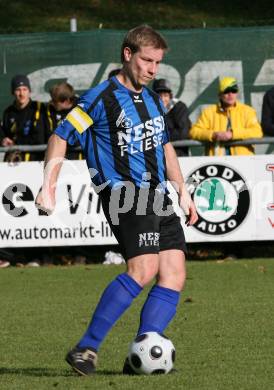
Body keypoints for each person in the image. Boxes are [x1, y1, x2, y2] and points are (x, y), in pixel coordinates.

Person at [35, 24, 198, 376]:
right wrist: (48, 186)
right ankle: (87, 347)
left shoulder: (154, 99)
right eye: (147, 60)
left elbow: (165, 147)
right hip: (124, 192)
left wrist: (183, 191)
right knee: (144, 269)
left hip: (158, 195)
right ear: (128, 55)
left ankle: (142, 351)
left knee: (174, 273)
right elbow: (60, 137)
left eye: (158, 62)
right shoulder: (98, 97)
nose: (153, 69)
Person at [190, 77, 263, 156]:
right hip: (218, 162)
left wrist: (232, 134)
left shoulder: (248, 111)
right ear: (220, 95)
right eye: (226, 91)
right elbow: (194, 132)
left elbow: (257, 132)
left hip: (243, 161)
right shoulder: (209, 112)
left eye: (233, 90)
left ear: (237, 93)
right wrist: (213, 135)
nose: (230, 94)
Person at [1, 74, 46, 161]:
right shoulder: (8, 112)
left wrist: (15, 143)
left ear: (29, 91)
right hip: (13, 161)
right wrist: (3, 140)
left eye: (24, 89)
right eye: (18, 90)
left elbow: (39, 137)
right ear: (12, 92)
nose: (21, 94)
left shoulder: (39, 108)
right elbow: (4, 133)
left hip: (34, 160)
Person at [152, 78, 191, 156]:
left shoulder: (180, 107)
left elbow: (182, 133)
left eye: (165, 95)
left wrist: (157, 136)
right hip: (157, 155)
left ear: (170, 96)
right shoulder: (149, 109)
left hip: (178, 154)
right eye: (159, 96)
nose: (162, 99)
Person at [45, 81, 80, 160]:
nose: (51, 103)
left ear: (66, 101)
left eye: (55, 101)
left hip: (79, 160)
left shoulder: (81, 109)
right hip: (56, 158)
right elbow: (49, 135)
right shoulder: (51, 110)